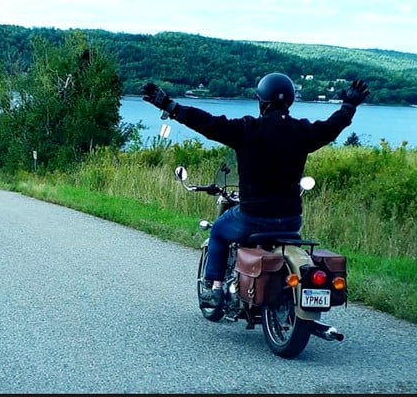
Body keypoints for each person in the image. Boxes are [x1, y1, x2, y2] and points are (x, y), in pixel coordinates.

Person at [141, 73, 369, 309]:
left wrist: (170, 106)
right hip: (291, 220)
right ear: (289, 101)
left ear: (262, 101)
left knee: (218, 230)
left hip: (252, 217)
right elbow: (332, 127)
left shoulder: (248, 129)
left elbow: (208, 123)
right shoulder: (303, 131)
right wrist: (349, 105)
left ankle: (216, 289)